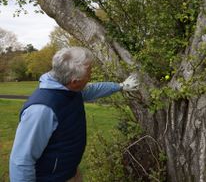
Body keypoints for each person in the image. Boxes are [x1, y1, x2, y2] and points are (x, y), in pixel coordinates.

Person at [9, 47, 139, 182]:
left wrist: (121, 86)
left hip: (70, 173)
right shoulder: (42, 109)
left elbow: (93, 90)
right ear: (75, 81)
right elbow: (21, 160)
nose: (91, 76)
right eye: (89, 74)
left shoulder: (69, 89)